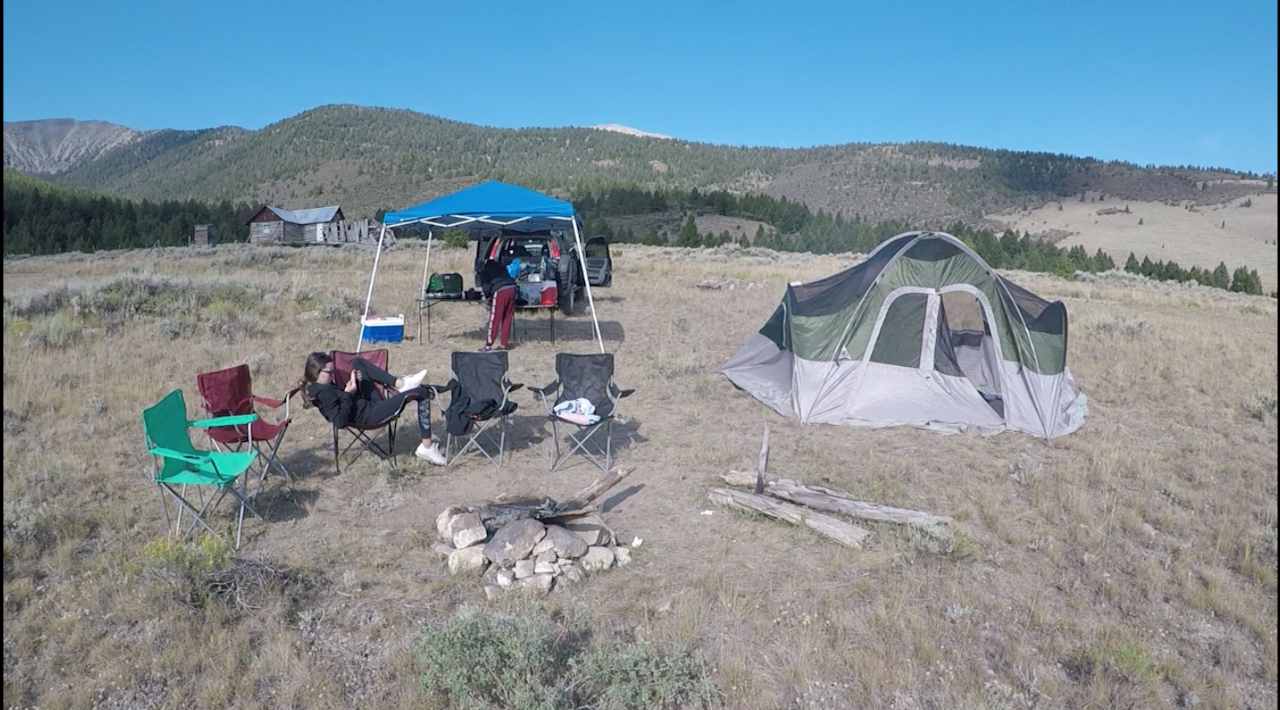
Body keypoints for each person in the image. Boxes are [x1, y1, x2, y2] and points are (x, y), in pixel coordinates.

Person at [298, 352, 447, 465]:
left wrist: (353, 384)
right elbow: (340, 421)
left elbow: (343, 400)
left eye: (333, 371)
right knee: (420, 392)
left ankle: (400, 384)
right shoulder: (323, 394)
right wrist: (348, 394)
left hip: (366, 403)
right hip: (370, 416)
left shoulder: (323, 384)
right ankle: (427, 447)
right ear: (316, 372)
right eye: (329, 372)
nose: (333, 375)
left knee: (358, 362)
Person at [480, 258, 517, 351]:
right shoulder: (501, 267)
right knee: (507, 318)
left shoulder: (484, 271)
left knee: (495, 318)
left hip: (500, 290)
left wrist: (488, 298)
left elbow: (486, 287)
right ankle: (504, 344)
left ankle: (488, 345)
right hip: (512, 288)